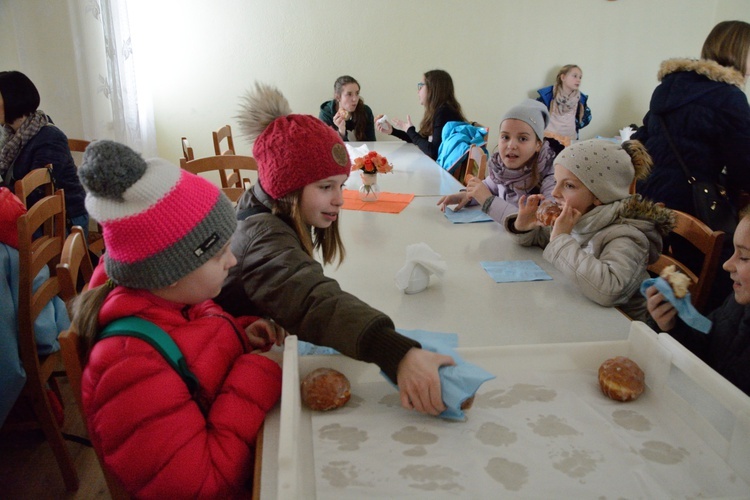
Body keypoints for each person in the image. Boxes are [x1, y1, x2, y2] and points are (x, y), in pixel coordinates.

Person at [217, 82, 454, 416]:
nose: (340, 199)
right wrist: (396, 352)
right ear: (288, 187)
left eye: (341, 185)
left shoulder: (268, 206)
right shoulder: (262, 236)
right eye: (325, 187)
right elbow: (311, 299)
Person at [71, 140, 283, 498]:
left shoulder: (177, 299)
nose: (231, 262)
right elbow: (203, 486)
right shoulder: (128, 369)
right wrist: (258, 371)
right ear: (170, 271)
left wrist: (240, 335)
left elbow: (196, 350)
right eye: (218, 255)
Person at [633, 20, 750, 312]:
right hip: (692, 201)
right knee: (728, 265)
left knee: (673, 266)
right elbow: (743, 167)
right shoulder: (730, 97)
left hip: (651, 195)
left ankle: (664, 314)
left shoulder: (670, 85)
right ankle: (708, 337)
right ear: (740, 53)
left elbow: (642, 139)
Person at [505, 139, 673, 322]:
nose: (554, 193)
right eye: (556, 181)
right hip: (580, 315)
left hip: (620, 329)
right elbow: (545, 240)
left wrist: (560, 238)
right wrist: (524, 228)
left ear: (600, 195)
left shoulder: (628, 236)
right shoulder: (580, 216)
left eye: (568, 185)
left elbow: (609, 289)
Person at [645, 206, 750, 396]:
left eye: (744, 257)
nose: (727, 265)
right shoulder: (738, 305)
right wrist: (671, 325)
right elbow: (706, 350)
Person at [437, 99, 558, 225]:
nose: (511, 145)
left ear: (538, 144)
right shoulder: (501, 168)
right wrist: (467, 196)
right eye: (505, 137)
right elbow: (489, 186)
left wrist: (489, 202)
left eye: (522, 138)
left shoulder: (552, 177)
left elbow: (542, 223)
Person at [0, 71, 88, 232]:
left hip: (64, 221)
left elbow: (36, 193)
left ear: (12, 99)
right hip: (35, 215)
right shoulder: (11, 138)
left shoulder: (49, 138)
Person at [376, 69, 467, 160]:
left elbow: (433, 152)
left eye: (421, 86)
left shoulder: (444, 112)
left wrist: (409, 130)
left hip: (441, 172)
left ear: (433, 88)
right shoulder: (439, 110)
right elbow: (419, 139)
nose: (418, 91)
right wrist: (392, 131)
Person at [536, 64, 591, 143]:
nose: (578, 80)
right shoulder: (548, 95)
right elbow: (535, 116)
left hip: (570, 140)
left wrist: (577, 124)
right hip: (548, 141)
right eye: (574, 76)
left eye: (580, 77)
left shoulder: (580, 99)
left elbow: (585, 119)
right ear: (563, 77)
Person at [319, 75, 376, 142]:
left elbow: (371, 143)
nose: (355, 99)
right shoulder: (326, 115)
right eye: (349, 94)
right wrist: (341, 132)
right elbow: (326, 146)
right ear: (338, 97)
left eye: (357, 93)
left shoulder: (366, 111)